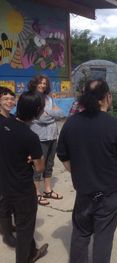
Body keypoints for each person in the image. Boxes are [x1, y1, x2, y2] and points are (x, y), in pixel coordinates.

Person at [57, 79, 117, 263]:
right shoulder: (115, 126)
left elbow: (63, 156)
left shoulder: (71, 123)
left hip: (83, 193)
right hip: (109, 196)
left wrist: (80, 173)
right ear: (108, 97)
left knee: (80, 234)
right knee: (103, 238)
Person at [0, 91, 49, 263]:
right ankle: (24, 259)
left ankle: (31, 250)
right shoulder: (30, 136)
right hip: (22, 190)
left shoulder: (5, 122)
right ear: (36, 110)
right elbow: (40, 167)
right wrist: (32, 159)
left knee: (20, 223)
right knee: (24, 229)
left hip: (5, 185)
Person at [28, 75, 64, 206]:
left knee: (49, 164)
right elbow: (40, 119)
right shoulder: (31, 98)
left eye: (45, 83)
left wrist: (49, 113)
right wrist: (52, 114)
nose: (43, 85)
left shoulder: (49, 98)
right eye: (40, 83)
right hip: (39, 136)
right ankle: (36, 193)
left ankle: (47, 190)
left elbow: (61, 114)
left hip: (52, 135)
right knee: (38, 166)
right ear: (35, 84)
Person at [0, 87, 17, 248]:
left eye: (12, 99)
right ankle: (7, 235)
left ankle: (6, 226)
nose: (10, 102)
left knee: (7, 199)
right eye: (6, 99)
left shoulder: (12, 118)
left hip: (10, 166)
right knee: (4, 200)